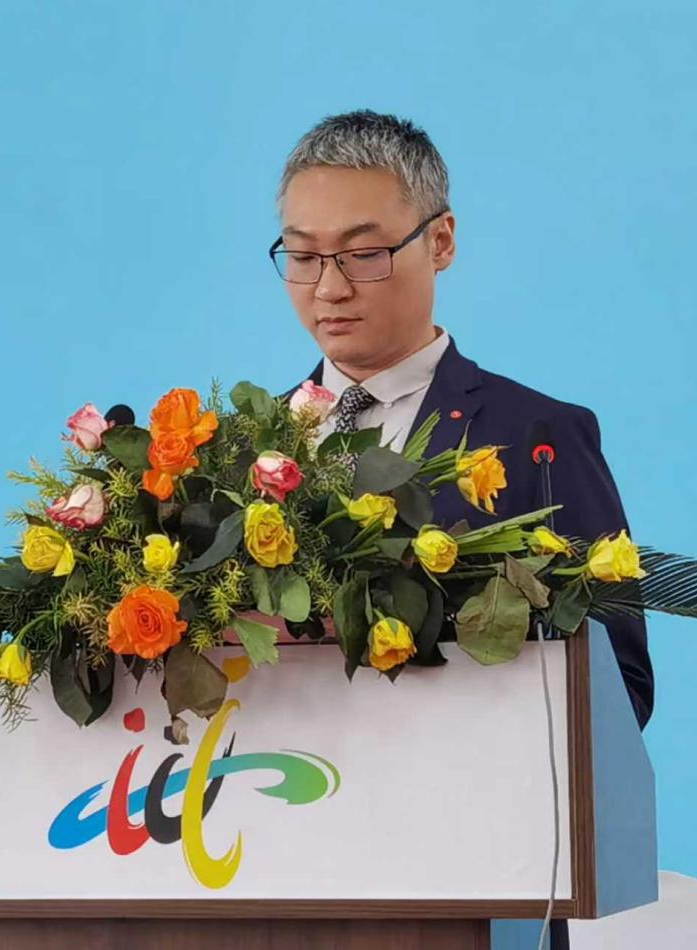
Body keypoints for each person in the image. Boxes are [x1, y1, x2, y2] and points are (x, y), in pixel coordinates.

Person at [272, 110, 654, 731]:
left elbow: (620, 688)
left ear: (441, 241)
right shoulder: (240, 448)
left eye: (363, 254)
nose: (329, 288)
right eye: (303, 255)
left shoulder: (539, 438)